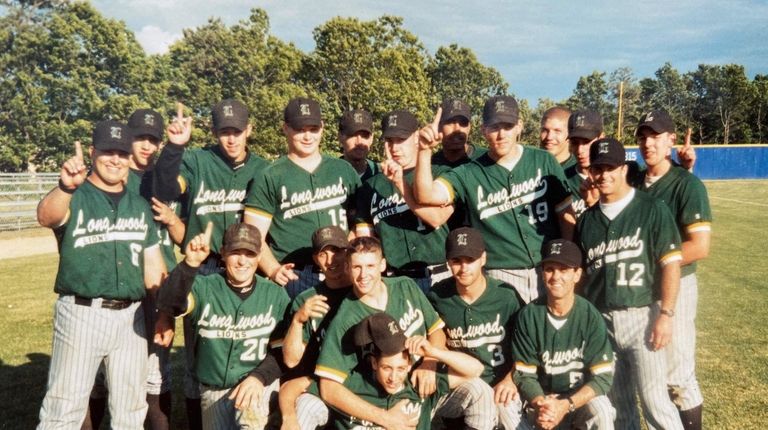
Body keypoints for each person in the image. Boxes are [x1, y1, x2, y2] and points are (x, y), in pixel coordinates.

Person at [36, 120, 166, 428]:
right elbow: (46, 216)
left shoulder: (139, 205)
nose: (115, 160)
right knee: (63, 409)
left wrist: (166, 310)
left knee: (131, 411)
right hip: (82, 313)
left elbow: (154, 271)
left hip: (131, 318)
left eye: (122, 153)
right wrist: (66, 186)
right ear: (94, 152)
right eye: (108, 151)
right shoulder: (75, 195)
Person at [153, 99, 270, 427]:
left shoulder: (263, 168)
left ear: (249, 130)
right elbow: (163, 188)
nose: (231, 139)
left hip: (248, 265)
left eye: (237, 131)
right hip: (203, 268)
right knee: (198, 358)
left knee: (247, 346)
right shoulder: (196, 161)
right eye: (223, 132)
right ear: (214, 132)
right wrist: (175, 147)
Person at [414, 96, 576, 303]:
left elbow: (566, 215)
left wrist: (567, 263)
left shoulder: (542, 160)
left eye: (507, 126)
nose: (501, 134)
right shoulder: (468, 172)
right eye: (494, 127)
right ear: (483, 130)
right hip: (500, 275)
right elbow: (425, 195)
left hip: (549, 267)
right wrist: (424, 150)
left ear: (519, 126)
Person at [575, 137, 684, 430]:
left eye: (611, 167)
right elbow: (582, 277)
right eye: (598, 168)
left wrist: (666, 314)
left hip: (642, 316)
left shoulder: (651, 209)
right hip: (602, 321)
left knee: (655, 402)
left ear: (624, 168)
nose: (604, 175)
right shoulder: (587, 221)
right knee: (618, 405)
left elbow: (671, 264)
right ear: (590, 172)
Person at [84, 109, 183, 430]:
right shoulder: (112, 176)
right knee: (96, 379)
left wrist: (171, 218)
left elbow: (183, 232)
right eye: (140, 137)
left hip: (157, 288)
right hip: (114, 285)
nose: (147, 146)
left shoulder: (166, 178)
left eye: (153, 139)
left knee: (155, 377)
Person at [155, 222, 290, 430]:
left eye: (250, 253)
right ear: (223, 252)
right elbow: (169, 303)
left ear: (260, 255)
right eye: (236, 252)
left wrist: (258, 378)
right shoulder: (203, 287)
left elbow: (283, 352)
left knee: (250, 423)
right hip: (213, 390)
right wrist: (189, 264)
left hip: (256, 386)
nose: (243, 260)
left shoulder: (275, 294)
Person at [314, 236, 448, 427]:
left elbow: (437, 331)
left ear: (382, 265)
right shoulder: (345, 319)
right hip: (386, 399)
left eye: (370, 266)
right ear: (347, 268)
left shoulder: (405, 286)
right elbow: (328, 388)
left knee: (477, 389)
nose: (363, 274)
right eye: (357, 267)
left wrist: (430, 363)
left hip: (425, 382)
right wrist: (384, 418)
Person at [635, 110, 712, 430]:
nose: (648, 143)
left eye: (655, 136)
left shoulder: (686, 184)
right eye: (642, 137)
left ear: (671, 140)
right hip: (640, 290)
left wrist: (653, 260)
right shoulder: (633, 181)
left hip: (677, 287)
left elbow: (699, 246)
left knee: (678, 376)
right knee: (652, 377)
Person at [244, 96, 361, 298]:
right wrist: (272, 269)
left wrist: (349, 256)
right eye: (300, 129)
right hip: (297, 275)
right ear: (286, 128)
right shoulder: (270, 175)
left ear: (322, 128)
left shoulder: (342, 169)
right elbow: (254, 235)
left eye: (313, 129)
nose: (307, 136)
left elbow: (361, 223)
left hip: (341, 270)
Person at [328, 312, 497, 430]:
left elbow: (475, 370)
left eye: (401, 368)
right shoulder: (351, 385)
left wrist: (433, 353)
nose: (393, 378)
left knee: (481, 388)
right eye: (386, 368)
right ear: (374, 363)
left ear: (409, 365)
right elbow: (314, 387)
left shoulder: (416, 384)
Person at [427, 227, 525, 429]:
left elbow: (528, 346)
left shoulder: (505, 296)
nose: (464, 268)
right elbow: (434, 337)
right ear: (448, 262)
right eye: (456, 261)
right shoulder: (438, 296)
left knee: (509, 416)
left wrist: (511, 379)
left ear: (483, 259)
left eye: (470, 260)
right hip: (465, 384)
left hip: (503, 381)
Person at [512, 239, 616, 429]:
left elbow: (602, 377)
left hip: (577, 400)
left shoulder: (589, 316)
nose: (555, 276)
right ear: (542, 274)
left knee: (602, 409)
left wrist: (566, 405)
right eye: (549, 269)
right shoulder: (529, 315)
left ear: (577, 274)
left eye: (564, 270)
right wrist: (543, 405)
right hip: (541, 403)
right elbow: (524, 375)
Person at [355, 110, 454, 292]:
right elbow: (365, 241)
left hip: (438, 277)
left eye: (401, 139)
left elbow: (436, 219)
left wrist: (400, 184)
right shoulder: (370, 187)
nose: (395, 147)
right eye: (390, 140)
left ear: (416, 137)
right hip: (394, 281)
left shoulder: (440, 173)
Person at [279, 225, 354, 430]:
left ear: (348, 252)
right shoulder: (306, 300)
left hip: (362, 384)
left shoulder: (363, 290)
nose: (331, 260)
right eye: (324, 254)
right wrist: (298, 321)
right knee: (303, 412)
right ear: (315, 259)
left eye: (337, 251)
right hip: (320, 385)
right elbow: (292, 361)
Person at [564, 109, 604, 218]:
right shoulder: (562, 179)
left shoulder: (619, 176)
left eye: (586, 142)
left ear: (601, 138)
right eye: (575, 143)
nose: (580, 150)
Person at [431, 97, 487, 168]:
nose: (457, 129)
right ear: (439, 126)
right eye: (450, 122)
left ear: (469, 127)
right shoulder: (429, 164)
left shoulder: (486, 160)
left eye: (463, 123)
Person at [339, 109, 380, 182]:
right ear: (340, 136)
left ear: (371, 138)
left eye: (364, 136)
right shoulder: (329, 175)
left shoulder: (381, 175)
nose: (359, 142)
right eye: (352, 135)